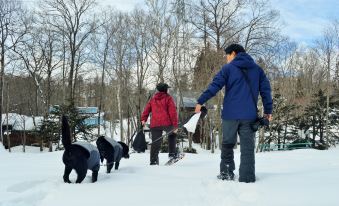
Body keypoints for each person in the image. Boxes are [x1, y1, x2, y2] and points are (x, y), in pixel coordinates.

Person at [194, 44, 272, 183]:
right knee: (248, 148)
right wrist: (268, 111)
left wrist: (201, 101)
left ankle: (226, 173)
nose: (226, 59)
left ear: (234, 53)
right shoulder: (257, 70)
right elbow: (266, 92)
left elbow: (215, 86)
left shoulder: (228, 69)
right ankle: (247, 178)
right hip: (249, 116)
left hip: (230, 116)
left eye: (227, 55)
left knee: (228, 145)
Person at [141, 83, 179, 165]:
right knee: (172, 134)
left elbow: (146, 110)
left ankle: (153, 160)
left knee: (155, 142)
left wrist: (143, 119)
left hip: (155, 124)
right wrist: (175, 126)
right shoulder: (168, 98)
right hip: (167, 123)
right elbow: (173, 113)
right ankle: (172, 154)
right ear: (165, 90)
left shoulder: (153, 99)